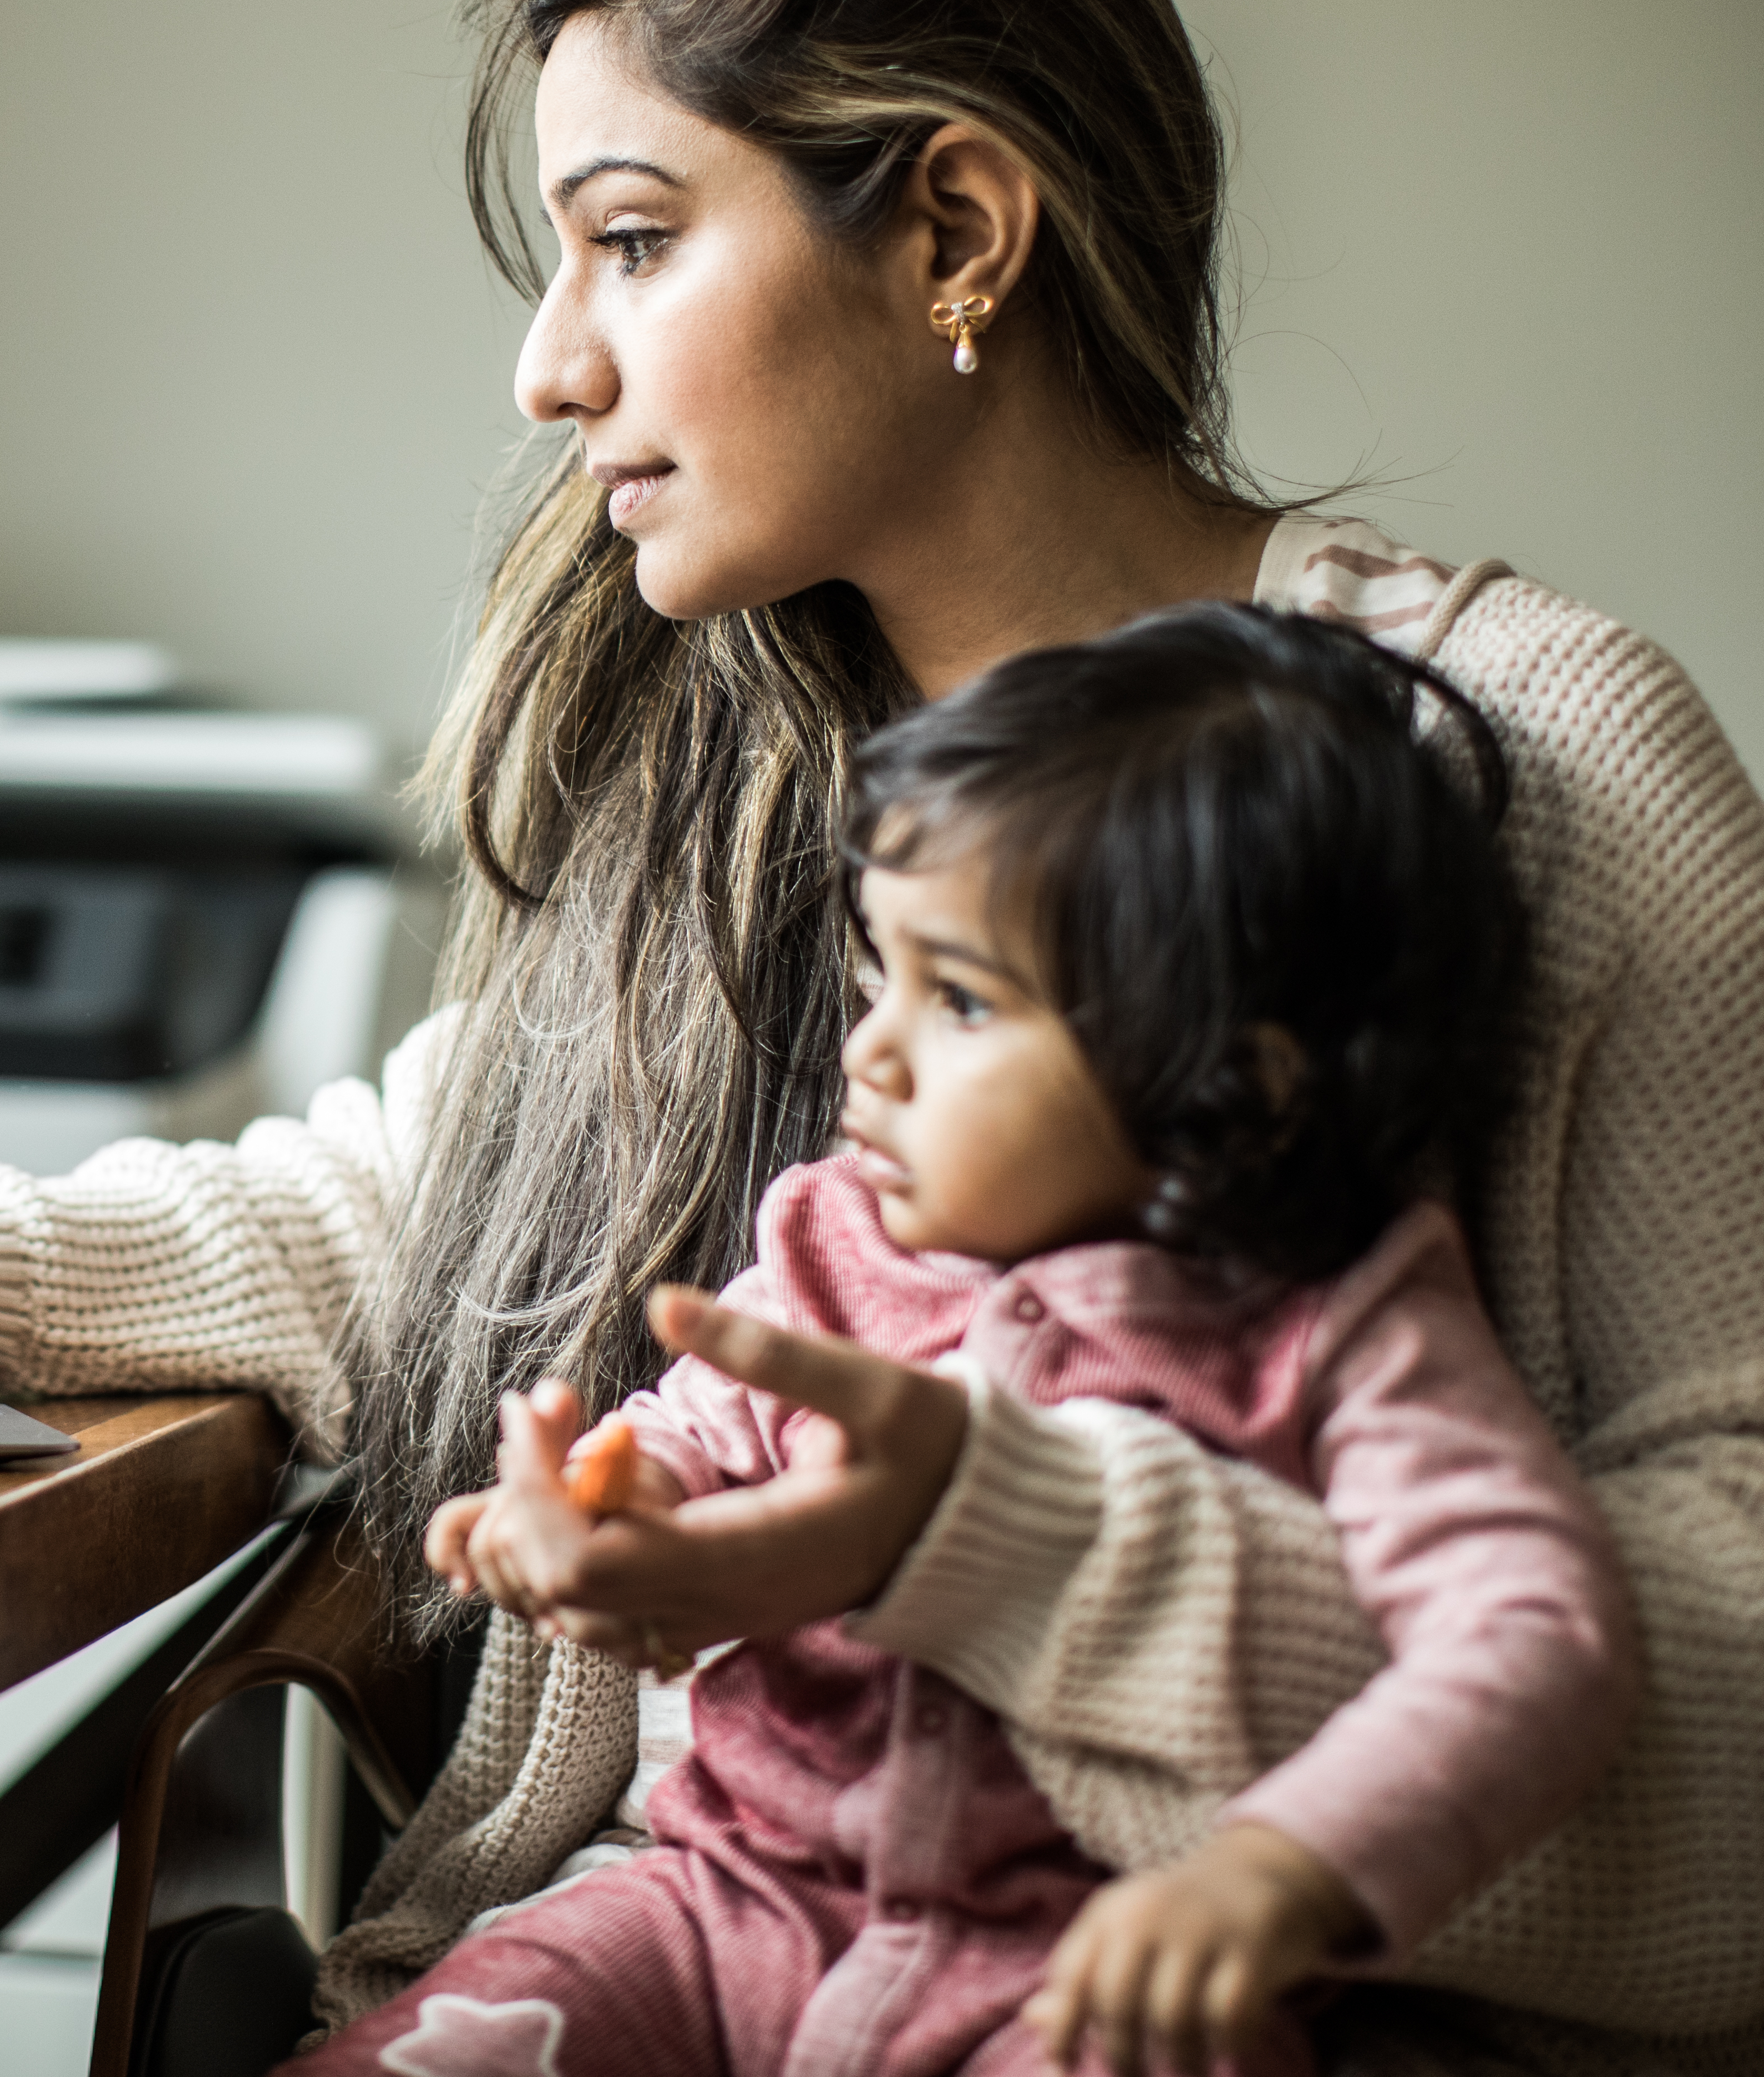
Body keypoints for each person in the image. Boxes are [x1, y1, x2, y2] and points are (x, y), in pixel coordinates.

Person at [0, 0, 1764, 2073]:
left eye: (634, 239)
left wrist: (1011, 1563)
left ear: (959, 231)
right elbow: (433, 1220)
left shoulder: (1520, 756)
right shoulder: (731, 768)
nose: (551, 368)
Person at [302, 601, 1638, 2077]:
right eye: (884, 973)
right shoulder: (837, 1236)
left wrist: (1286, 1868)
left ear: (1234, 1089)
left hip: (1087, 1983)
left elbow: (1533, 1637)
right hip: (723, 1904)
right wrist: (611, 1509)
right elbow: (692, 1432)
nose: (870, 1049)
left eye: (960, 999)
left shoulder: (1348, 1325)